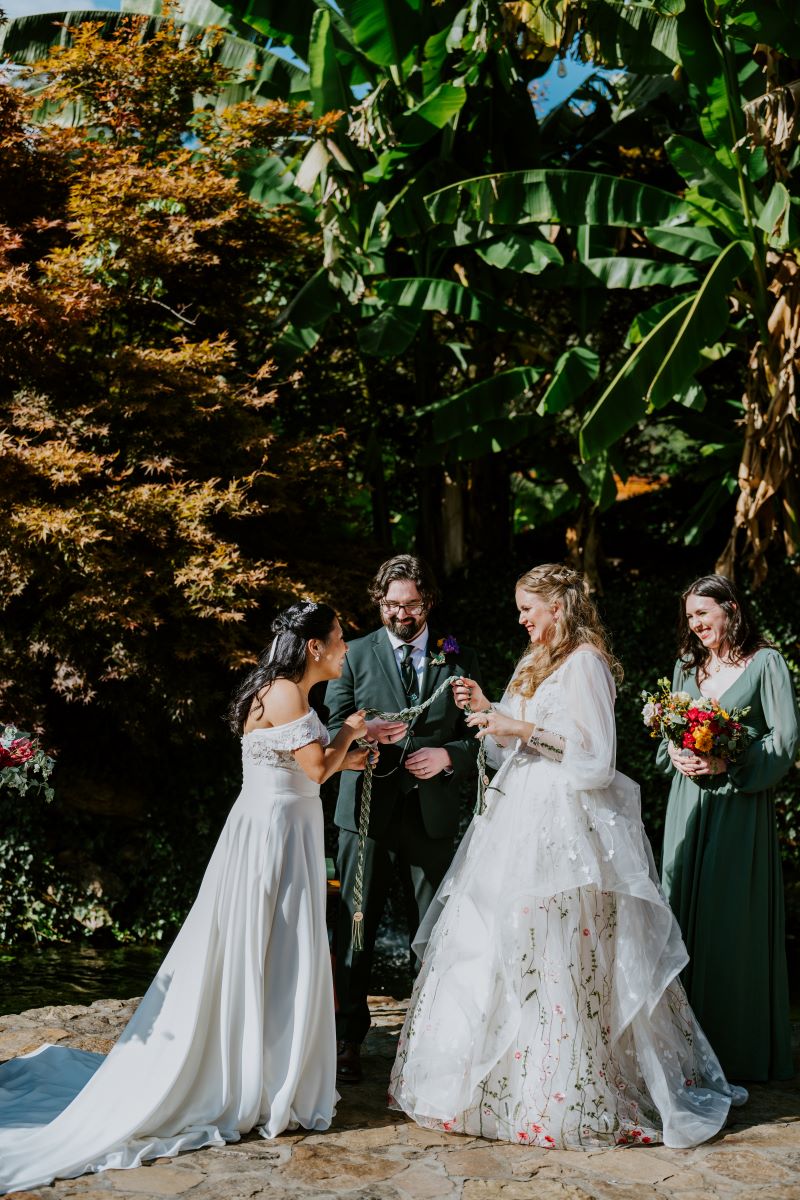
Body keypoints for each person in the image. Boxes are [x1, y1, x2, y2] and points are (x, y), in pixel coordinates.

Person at [0, 601, 370, 1194]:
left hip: (280, 827)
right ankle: (256, 1077)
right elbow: (316, 769)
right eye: (339, 638)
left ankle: (270, 1070)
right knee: (272, 949)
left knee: (277, 952)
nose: (346, 647)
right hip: (273, 839)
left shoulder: (285, 694)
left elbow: (304, 768)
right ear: (313, 648)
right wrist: (354, 729)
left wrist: (350, 754)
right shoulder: (287, 695)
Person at [389, 563, 747, 1149]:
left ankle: (566, 1090)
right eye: (519, 608)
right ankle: (497, 1088)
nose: (521, 618)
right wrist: (490, 713)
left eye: (529, 607)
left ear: (559, 607)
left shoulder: (585, 663)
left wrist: (518, 727)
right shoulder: (534, 662)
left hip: (567, 827)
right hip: (518, 819)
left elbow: (594, 759)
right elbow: (507, 747)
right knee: (507, 945)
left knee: (561, 949)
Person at [326, 555, 482, 1084]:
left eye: (410, 605)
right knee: (355, 926)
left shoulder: (454, 652)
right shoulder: (354, 653)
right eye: (390, 605)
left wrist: (449, 759)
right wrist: (362, 733)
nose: (399, 615)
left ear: (428, 603)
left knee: (433, 931)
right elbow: (332, 722)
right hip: (367, 812)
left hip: (431, 813)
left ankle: (431, 1040)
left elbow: (479, 731)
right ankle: (347, 1038)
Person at [659, 573, 798, 1082]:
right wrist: (674, 751)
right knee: (675, 910)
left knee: (727, 917)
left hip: (738, 805)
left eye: (704, 614)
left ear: (731, 609)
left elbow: (784, 741)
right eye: (690, 617)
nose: (696, 625)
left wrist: (727, 766)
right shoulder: (684, 666)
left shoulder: (766, 664)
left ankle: (734, 1051)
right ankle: (677, 1049)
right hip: (685, 804)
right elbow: (665, 734)